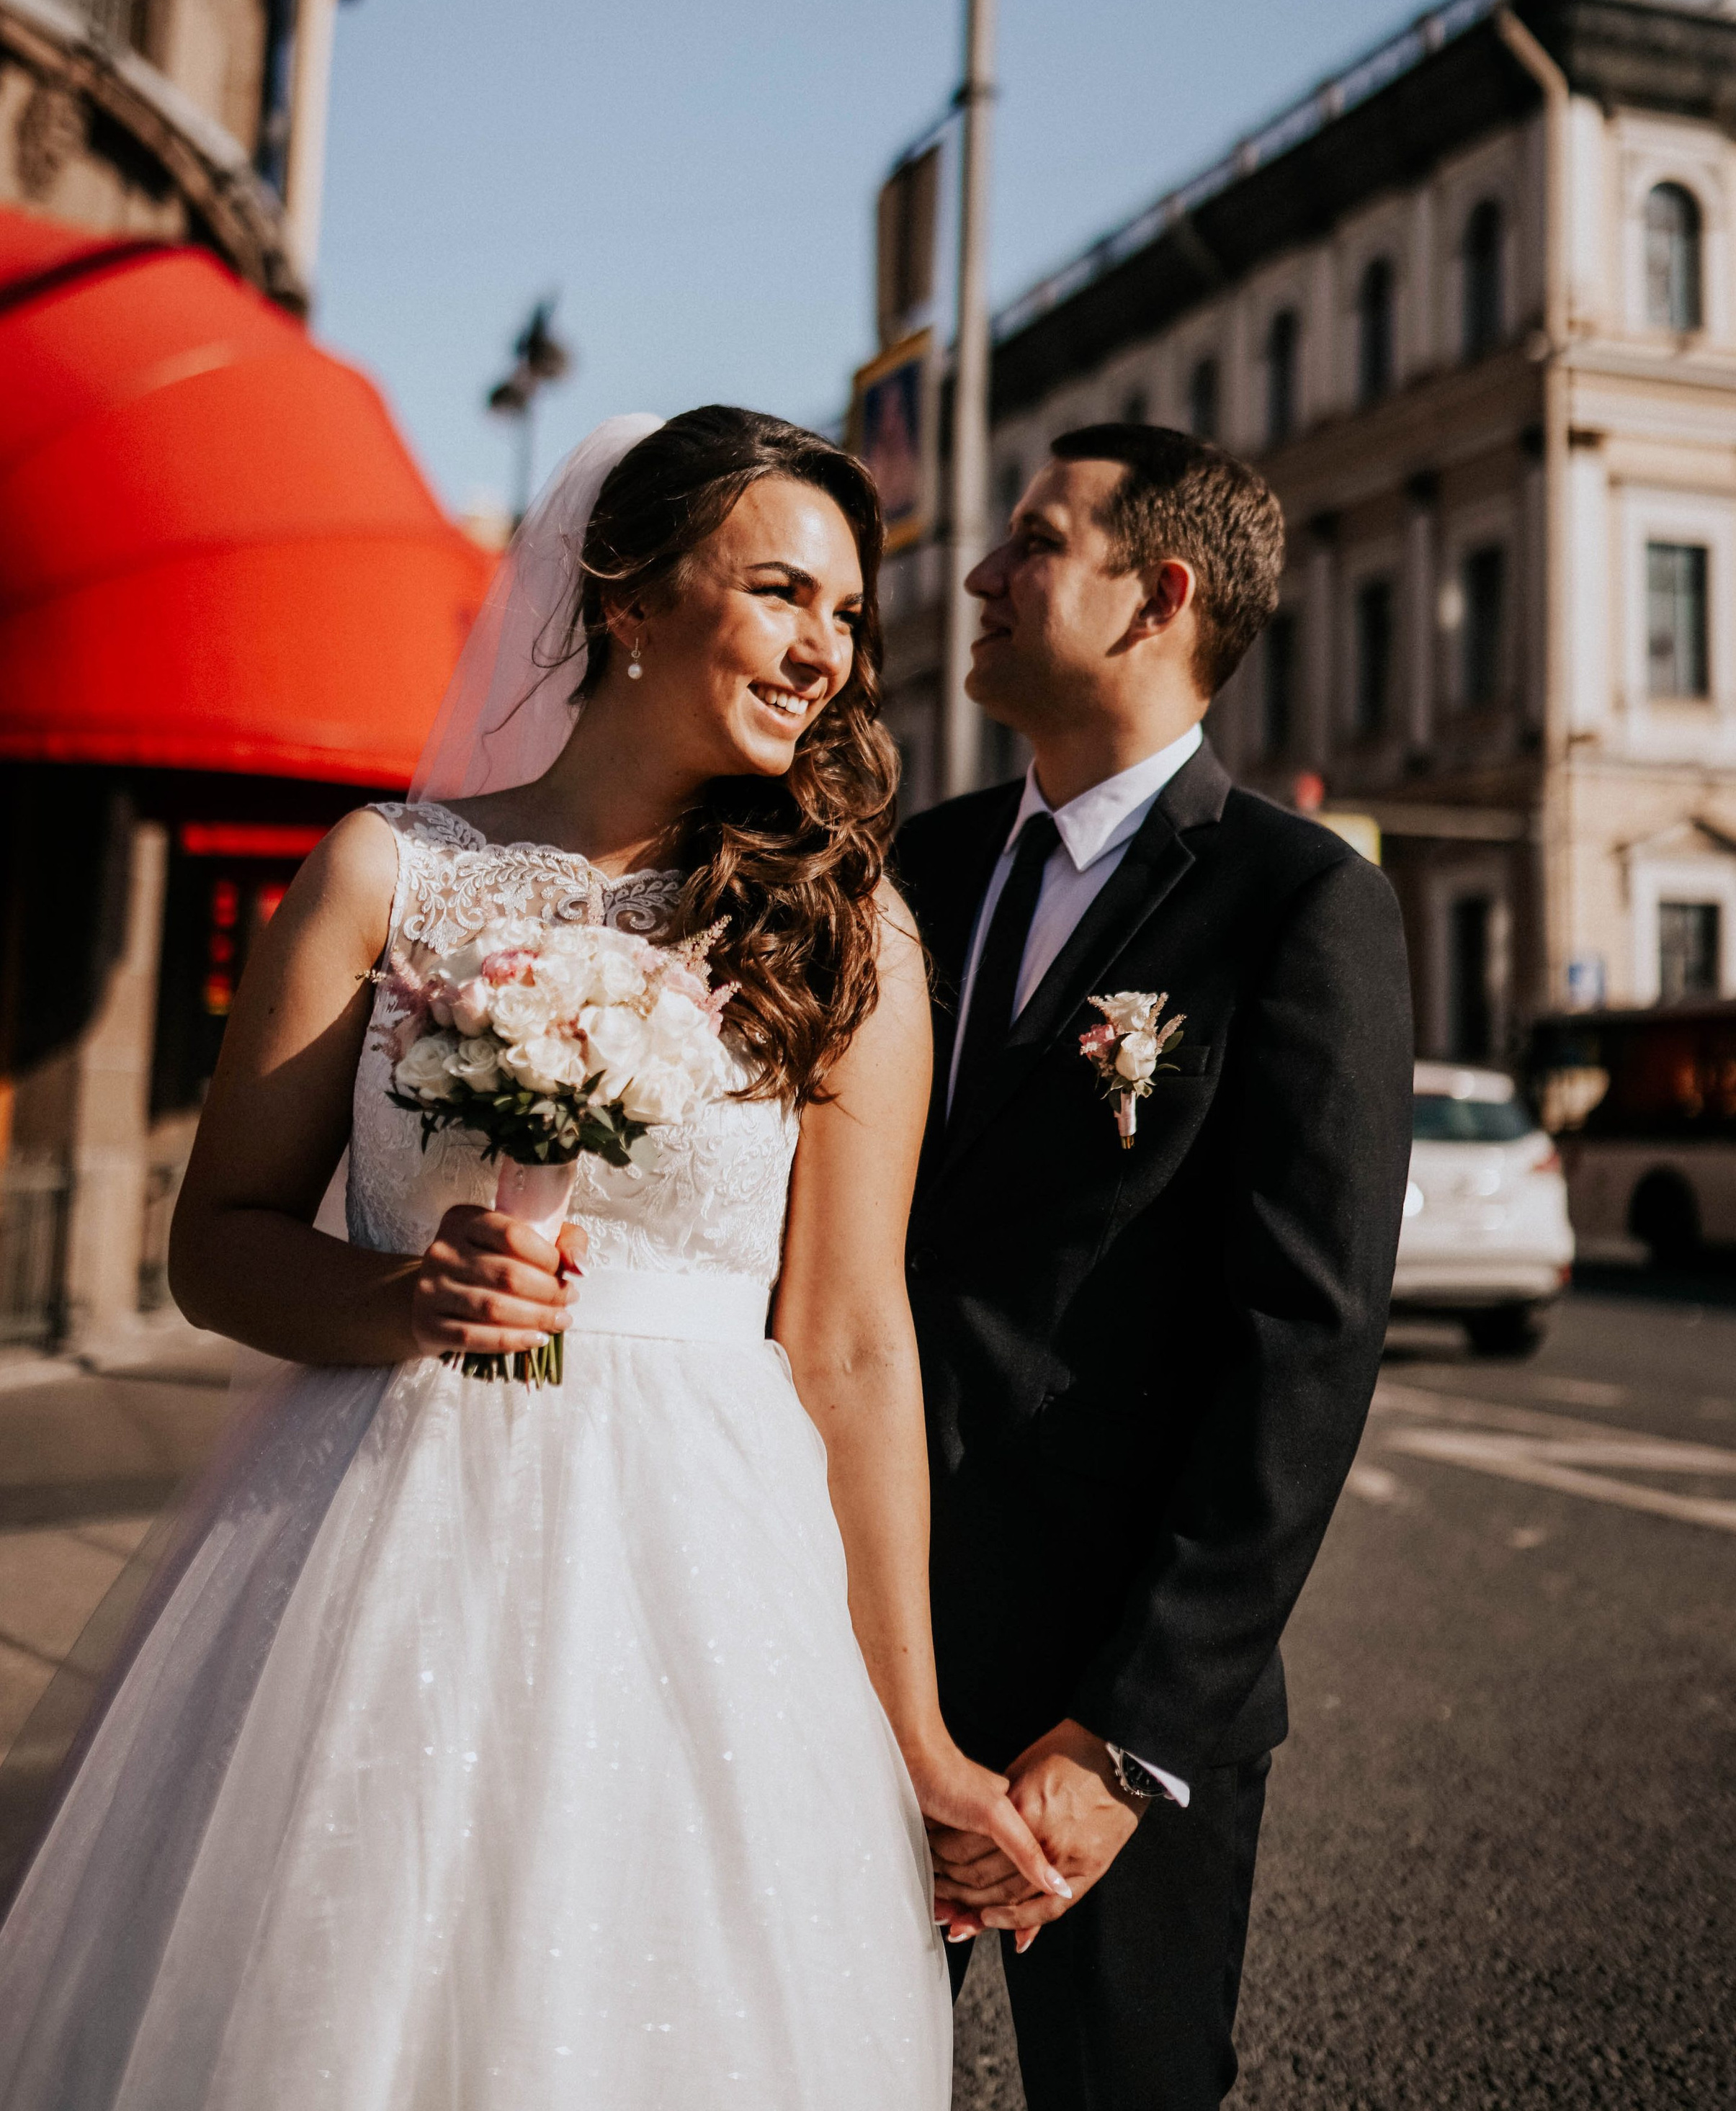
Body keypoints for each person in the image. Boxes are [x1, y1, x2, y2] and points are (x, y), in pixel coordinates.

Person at [0, 405, 1063, 2111]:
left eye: (849, 618)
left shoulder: (841, 925)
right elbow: (219, 1247)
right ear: (628, 598)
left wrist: (916, 1732)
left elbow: (853, 1343)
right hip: (381, 1535)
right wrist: (394, 1296)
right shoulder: (388, 875)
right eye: (783, 593)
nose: (824, 654)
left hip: (715, 1570)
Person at [898, 421, 1413, 2111]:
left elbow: (1303, 1344)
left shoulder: (1293, 903)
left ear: (1156, 598)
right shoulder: (916, 870)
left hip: (1104, 1697)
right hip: (853, 1645)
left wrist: (1127, 1739)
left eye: (1032, 542)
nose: (978, 574)